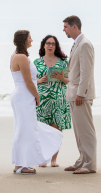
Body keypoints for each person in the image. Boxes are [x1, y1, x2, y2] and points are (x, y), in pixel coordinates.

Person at [10, 30, 63, 174]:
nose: (32, 40)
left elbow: (28, 80)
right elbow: (28, 81)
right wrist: (37, 96)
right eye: (29, 38)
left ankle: (20, 164)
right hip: (24, 96)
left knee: (24, 128)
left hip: (21, 95)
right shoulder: (20, 57)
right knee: (25, 129)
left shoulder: (17, 55)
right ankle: (22, 164)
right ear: (24, 40)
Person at [63, 16, 97, 174]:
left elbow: (86, 72)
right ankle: (82, 160)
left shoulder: (84, 44)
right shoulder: (77, 44)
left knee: (86, 130)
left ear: (74, 26)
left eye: (65, 27)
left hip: (80, 95)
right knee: (78, 131)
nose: (64, 30)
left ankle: (89, 164)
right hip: (73, 93)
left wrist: (81, 94)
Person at [34, 35, 71, 167]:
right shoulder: (36, 62)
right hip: (42, 100)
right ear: (43, 45)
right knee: (42, 130)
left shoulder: (63, 62)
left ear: (56, 46)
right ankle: (43, 158)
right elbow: (30, 80)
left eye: (53, 44)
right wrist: (39, 81)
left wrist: (61, 77)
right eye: (48, 43)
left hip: (58, 99)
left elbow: (68, 81)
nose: (50, 45)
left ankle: (54, 160)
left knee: (56, 131)